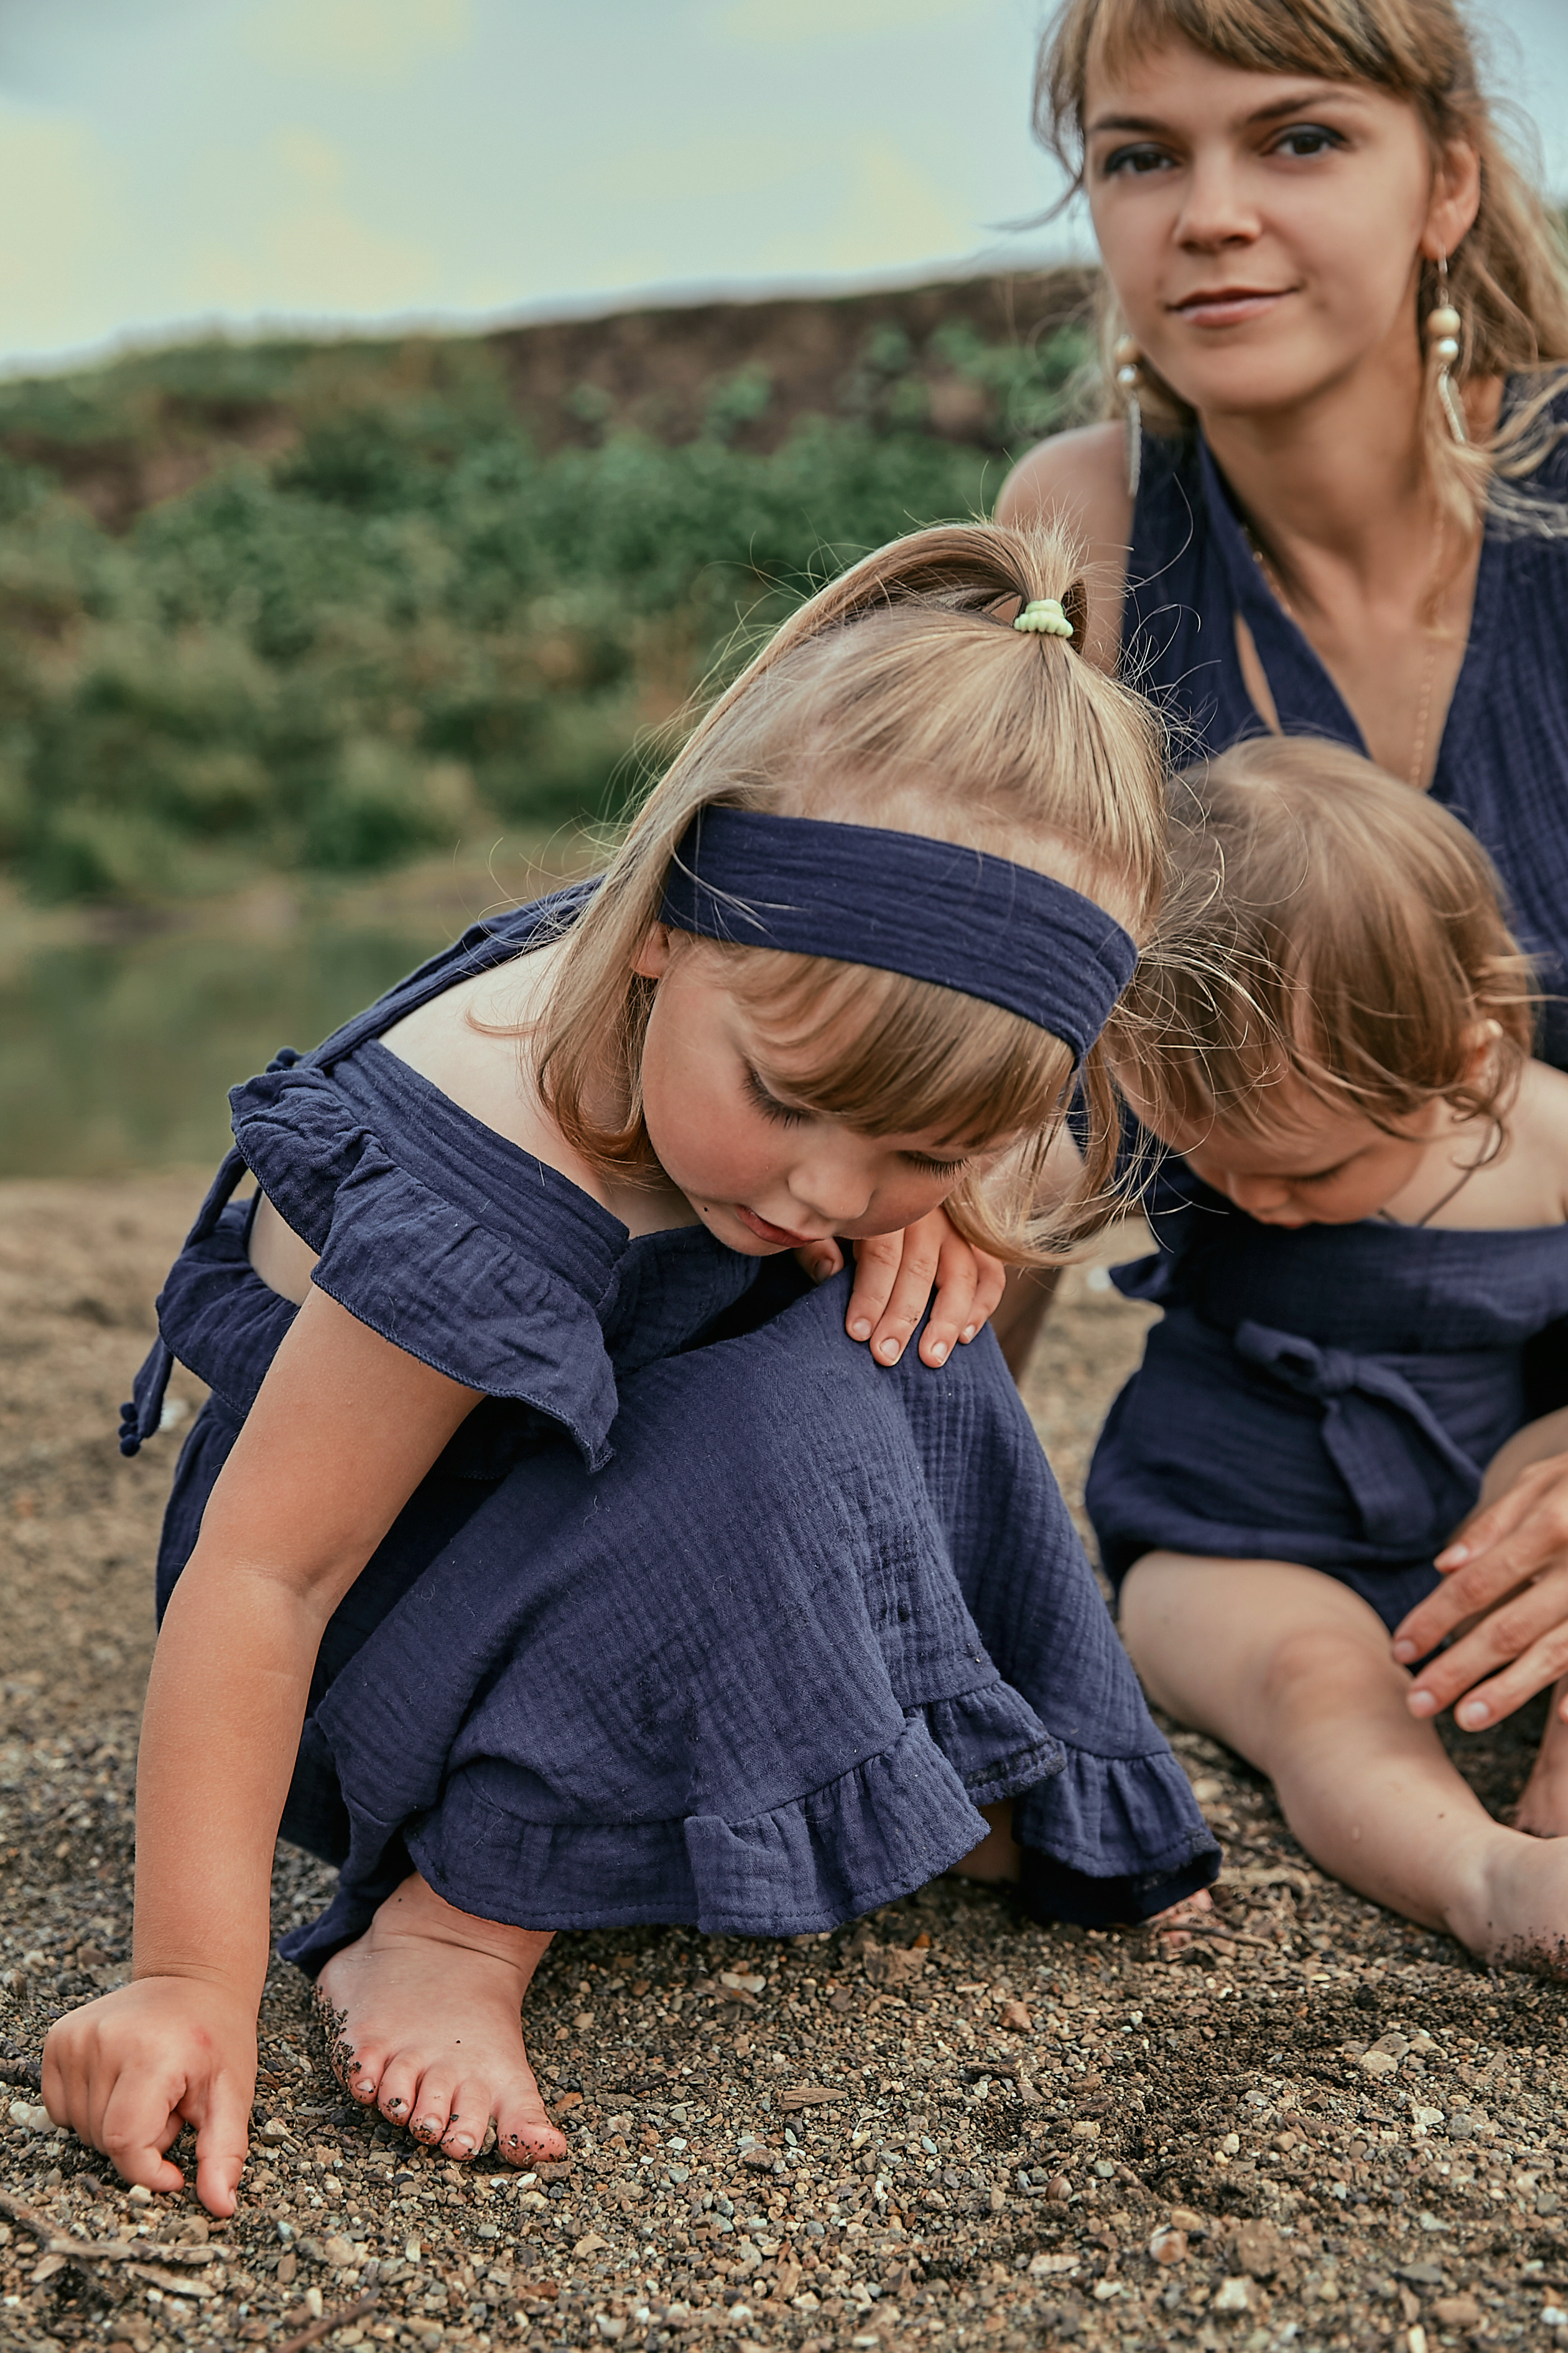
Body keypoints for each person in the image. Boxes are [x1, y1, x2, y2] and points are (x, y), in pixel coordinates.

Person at [40, 520, 1219, 2216]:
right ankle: (450, 1917)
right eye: (792, 1100)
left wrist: (948, 1199)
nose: (821, 1181)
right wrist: (181, 1975)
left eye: (915, 1138)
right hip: (382, 1609)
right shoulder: (496, 1166)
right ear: (664, 922)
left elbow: (999, 1121)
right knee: (800, 1399)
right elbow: (267, 1571)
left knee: (910, 1327)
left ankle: (948, 1768)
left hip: (579, 1510)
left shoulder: (809, 1024)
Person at [996, 0, 1568, 1746]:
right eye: (1140, 156)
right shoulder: (1081, 523)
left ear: (1446, 181)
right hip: (1274, 1420)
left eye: (1297, 139)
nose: (1209, 213)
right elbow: (1011, 1053)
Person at [1087, 739, 1568, 1964]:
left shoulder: (1548, 1141)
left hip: (1462, 1526)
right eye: (1207, 1163)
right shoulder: (1183, 1117)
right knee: (1320, 1687)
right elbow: (991, 1169)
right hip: (1225, 1544)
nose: (1253, 1199)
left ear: (1463, 1062)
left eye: (1307, 1171)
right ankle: (1484, 1875)